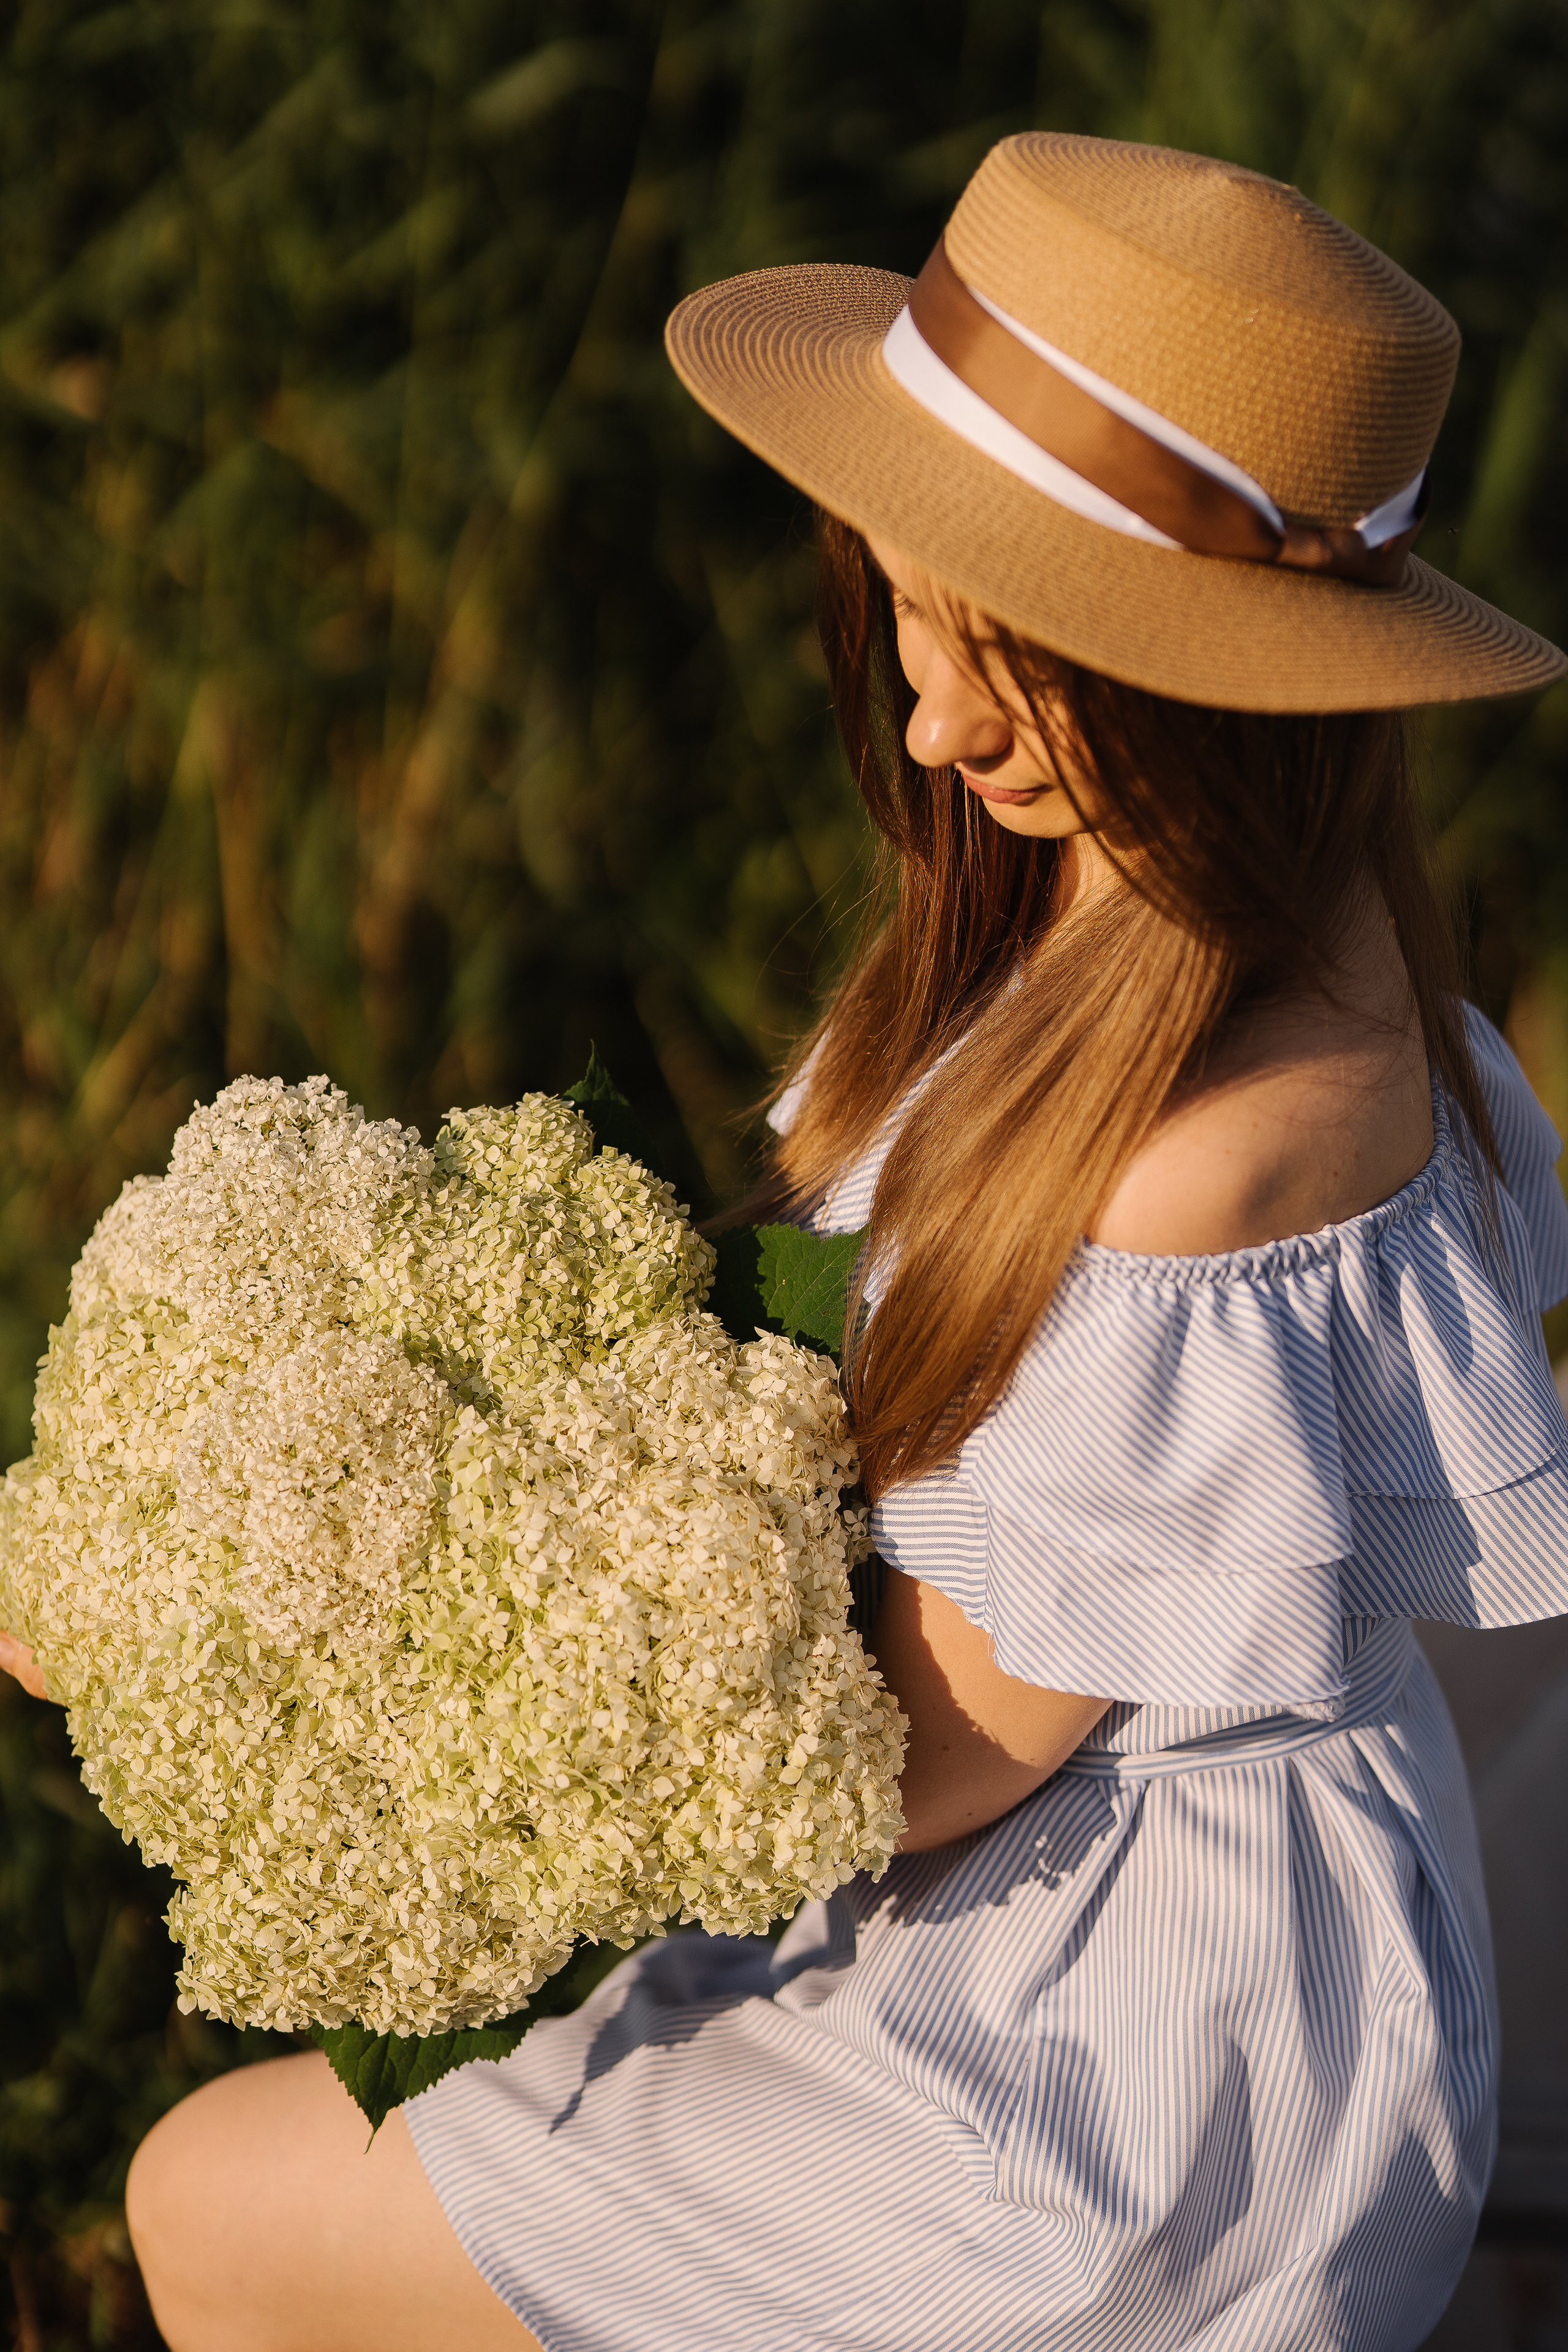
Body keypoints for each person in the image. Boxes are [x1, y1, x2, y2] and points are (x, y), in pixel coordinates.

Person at [7, 129, 1568, 2352]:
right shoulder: (1214, 952)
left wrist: (280, 1638)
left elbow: (937, 1751)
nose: (932, 725)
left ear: (1230, 687)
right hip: (1086, 1907)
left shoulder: (1205, 1172)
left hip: (1118, 2061)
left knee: (216, 2205)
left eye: (1028, 673)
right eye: (913, 626)